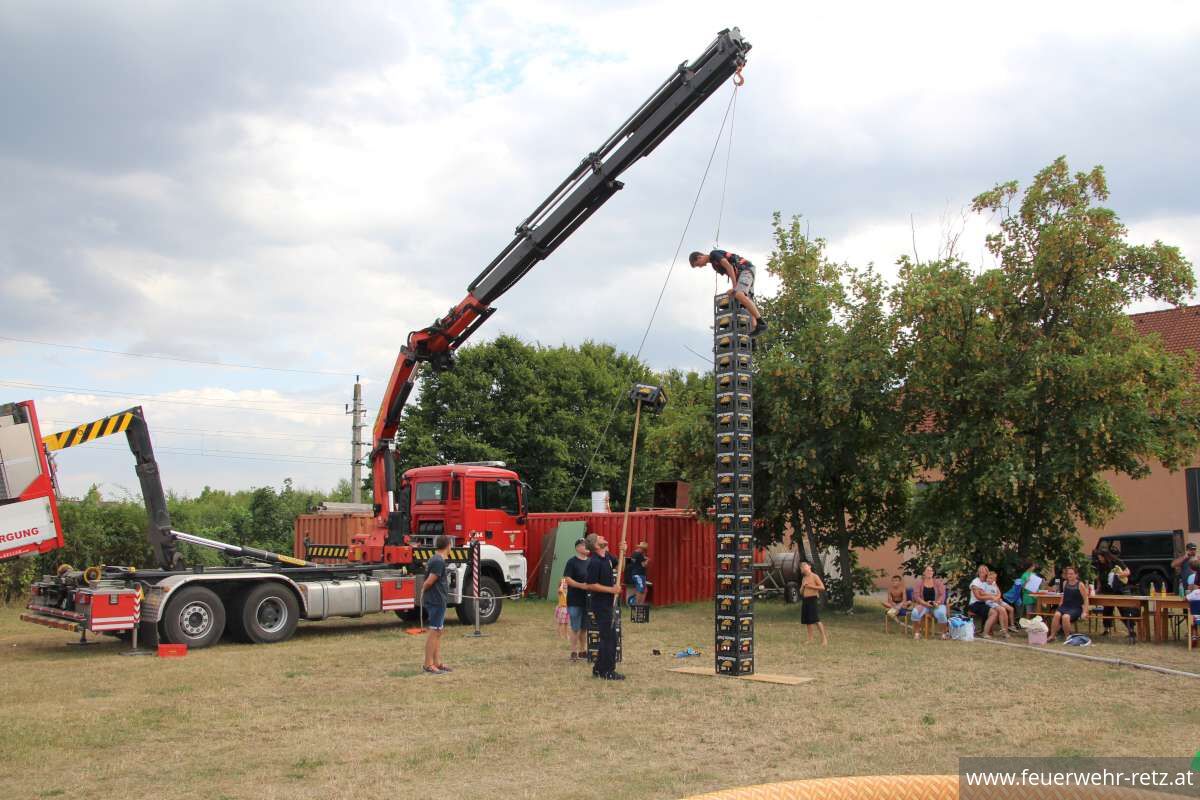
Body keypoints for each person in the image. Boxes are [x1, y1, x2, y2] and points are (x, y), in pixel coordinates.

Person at [690, 249, 767, 337]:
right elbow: (730, 273)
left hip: (745, 269)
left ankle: (762, 323)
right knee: (747, 300)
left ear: (699, 257)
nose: (700, 267)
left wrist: (734, 287)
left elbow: (729, 267)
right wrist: (735, 286)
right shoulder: (715, 266)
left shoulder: (713, 254)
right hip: (740, 274)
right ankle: (755, 330)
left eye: (697, 264)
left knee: (738, 294)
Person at [585, 533, 624, 680]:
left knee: (608, 637)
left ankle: (598, 669)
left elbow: (621, 567)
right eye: (599, 537)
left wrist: (623, 552)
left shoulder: (607, 556)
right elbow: (591, 585)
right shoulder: (594, 562)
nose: (603, 536)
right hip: (600, 605)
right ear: (596, 545)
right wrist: (611, 590)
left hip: (608, 603)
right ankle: (608, 671)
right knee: (610, 638)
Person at [421, 535, 452, 675]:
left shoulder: (435, 559)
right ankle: (428, 664)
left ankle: (437, 663)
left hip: (439, 599)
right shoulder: (438, 561)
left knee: (438, 631)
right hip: (436, 600)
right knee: (434, 631)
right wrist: (424, 589)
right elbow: (430, 581)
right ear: (448, 545)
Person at [561, 537, 592, 662]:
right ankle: (573, 652)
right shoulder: (572, 562)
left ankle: (583, 650)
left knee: (584, 627)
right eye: (584, 545)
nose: (586, 547)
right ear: (578, 548)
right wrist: (581, 585)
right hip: (574, 599)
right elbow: (567, 579)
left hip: (587, 599)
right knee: (575, 627)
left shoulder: (590, 562)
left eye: (587, 545)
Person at [1048, 565, 1089, 642]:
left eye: (1071, 574)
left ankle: (1068, 638)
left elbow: (1086, 599)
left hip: (1075, 608)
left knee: (1066, 617)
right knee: (1056, 615)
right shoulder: (1065, 583)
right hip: (1065, 606)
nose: (1069, 575)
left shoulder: (1080, 584)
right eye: (1068, 574)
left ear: (1076, 575)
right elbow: (1064, 594)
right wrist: (1061, 602)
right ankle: (1052, 636)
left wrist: (1085, 612)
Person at [910, 565, 949, 639]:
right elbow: (916, 596)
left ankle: (944, 634)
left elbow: (942, 595)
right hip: (923, 604)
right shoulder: (919, 583)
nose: (929, 572)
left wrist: (937, 602)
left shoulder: (938, 582)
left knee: (941, 613)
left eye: (931, 570)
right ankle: (917, 633)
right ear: (924, 573)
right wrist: (925, 603)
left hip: (937, 604)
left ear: (933, 573)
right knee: (915, 612)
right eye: (927, 570)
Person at [968, 564, 1003, 638]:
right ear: (978, 572)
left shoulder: (990, 581)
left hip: (986, 602)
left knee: (1000, 609)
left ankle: (991, 631)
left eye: (983, 571)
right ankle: (985, 633)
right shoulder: (975, 582)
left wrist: (997, 598)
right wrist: (991, 597)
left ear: (987, 573)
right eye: (980, 571)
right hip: (975, 603)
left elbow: (997, 592)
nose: (982, 573)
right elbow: (978, 597)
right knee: (994, 613)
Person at [798, 561, 828, 645]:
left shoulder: (815, 576)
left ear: (809, 567)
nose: (803, 568)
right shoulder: (804, 578)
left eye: (805, 566)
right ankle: (810, 639)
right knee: (808, 621)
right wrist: (803, 586)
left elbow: (822, 587)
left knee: (816, 620)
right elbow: (800, 592)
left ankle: (824, 639)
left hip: (813, 599)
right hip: (805, 600)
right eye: (801, 567)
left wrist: (810, 586)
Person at [984, 569, 1016, 635]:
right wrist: (995, 598)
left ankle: (1011, 626)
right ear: (986, 578)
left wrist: (998, 598)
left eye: (992, 578)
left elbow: (999, 593)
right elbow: (985, 595)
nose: (990, 580)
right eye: (989, 578)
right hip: (990, 601)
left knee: (1011, 609)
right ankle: (1003, 630)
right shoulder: (984, 585)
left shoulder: (994, 584)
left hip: (997, 600)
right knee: (1002, 610)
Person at [625, 541, 650, 606]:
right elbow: (643, 565)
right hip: (639, 574)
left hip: (635, 573)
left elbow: (634, 563)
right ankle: (637, 604)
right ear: (642, 549)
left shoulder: (634, 553)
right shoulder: (639, 554)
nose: (644, 551)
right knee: (641, 589)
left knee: (644, 589)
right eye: (644, 549)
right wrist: (647, 560)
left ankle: (640, 603)